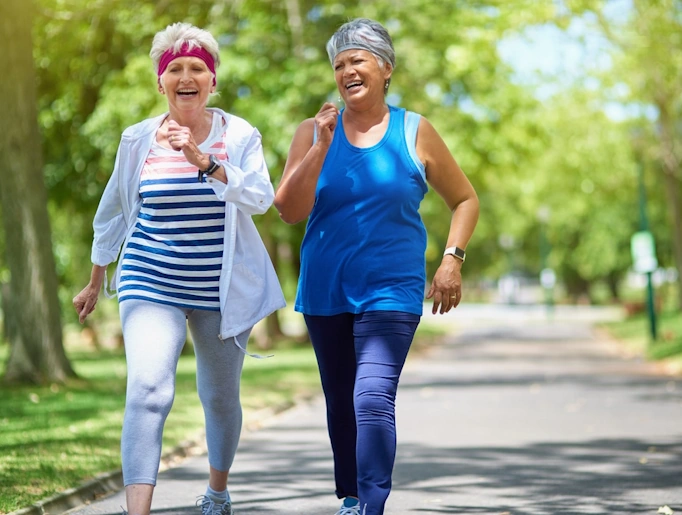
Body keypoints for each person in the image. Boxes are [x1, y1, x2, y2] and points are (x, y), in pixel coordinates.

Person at [72, 22, 285, 515]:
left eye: (197, 69)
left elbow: (260, 198)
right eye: (175, 69)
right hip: (150, 278)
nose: (186, 76)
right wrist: (96, 278)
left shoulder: (240, 134)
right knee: (149, 389)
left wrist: (203, 161)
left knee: (219, 398)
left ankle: (217, 491)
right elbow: (114, 212)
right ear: (159, 81)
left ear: (213, 81)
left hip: (219, 286)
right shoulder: (137, 139)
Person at [274, 18, 479, 515]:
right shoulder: (312, 131)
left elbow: (465, 199)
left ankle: (371, 505)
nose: (347, 71)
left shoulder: (415, 130)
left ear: (385, 68)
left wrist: (452, 260)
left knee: (371, 398)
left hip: (391, 290)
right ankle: (351, 497)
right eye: (339, 64)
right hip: (326, 289)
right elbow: (288, 209)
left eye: (357, 60)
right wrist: (321, 148)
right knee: (341, 403)